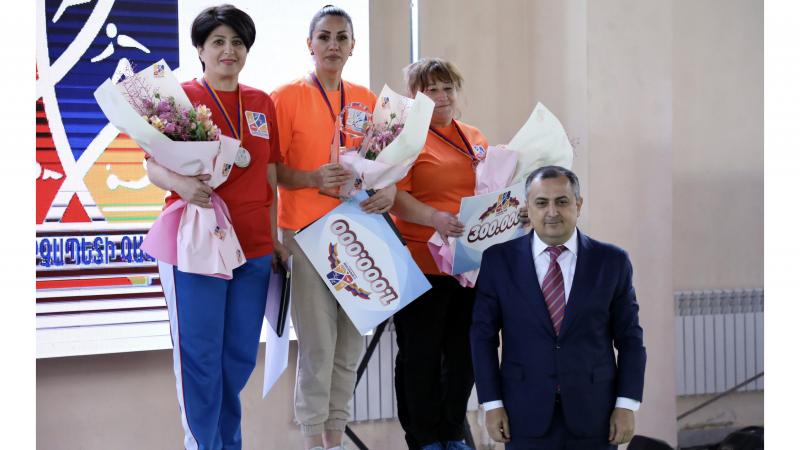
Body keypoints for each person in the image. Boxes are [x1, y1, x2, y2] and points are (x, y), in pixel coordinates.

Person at [145, 4, 288, 449]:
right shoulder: (180, 97)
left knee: (238, 358)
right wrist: (182, 185)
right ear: (200, 49)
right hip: (197, 246)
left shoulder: (261, 103)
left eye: (238, 42)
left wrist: (274, 237)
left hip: (255, 249)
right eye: (219, 42)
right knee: (200, 358)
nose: (229, 50)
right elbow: (152, 165)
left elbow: (268, 174)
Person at [270, 5, 395, 450]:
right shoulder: (285, 97)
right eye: (324, 37)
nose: (333, 45)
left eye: (342, 37)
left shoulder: (366, 99)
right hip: (304, 235)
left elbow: (385, 162)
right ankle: (311, 441)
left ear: (353, 46)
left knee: (350, 347)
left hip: (357, 234)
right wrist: (310, 179)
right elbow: (270, 170)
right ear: (310, 44)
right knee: (318, 347)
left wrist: (389, 190)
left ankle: (334, 439)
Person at [470, 166, 647, 450]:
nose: (552, 212)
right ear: (528, 207)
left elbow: (630, 339)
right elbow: (482, 338)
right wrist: (492, 404)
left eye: (562, 201)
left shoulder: (612, 262)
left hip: (596, 414)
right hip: (522, 414)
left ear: (578, 204)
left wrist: (626, 404)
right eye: (541, 203)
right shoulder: (498, 262)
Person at [390, 58, 490, 450]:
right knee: (421, 357)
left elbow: (492, 188)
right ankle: (424, 438)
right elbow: (394, 197)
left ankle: (452, 433)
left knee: (464, 355)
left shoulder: (474, 136)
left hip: (469, 265)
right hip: (421, 265)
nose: (441, 96)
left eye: (447, 87)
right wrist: (434, 218)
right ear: (414, 97)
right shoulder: (407, 140)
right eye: (430, 89)